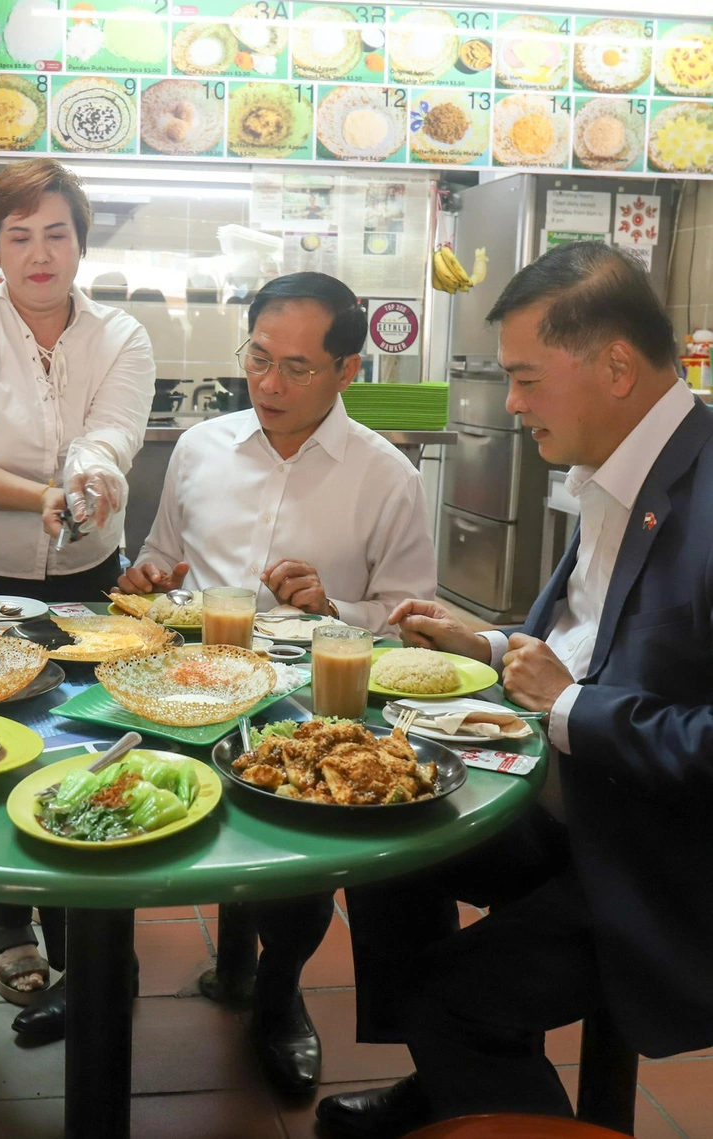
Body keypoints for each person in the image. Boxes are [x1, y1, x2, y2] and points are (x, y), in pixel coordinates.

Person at [317, 241, 713, 1138]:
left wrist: (567, 705)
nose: (511, 403)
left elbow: (594, 691)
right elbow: (586, 640)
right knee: (381, 827)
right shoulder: (614, 471)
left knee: (451, 995)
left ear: (615, 365)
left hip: (662, 850)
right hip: (580, 799)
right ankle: (451, 1080)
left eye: (526, 377)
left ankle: (458, 1057)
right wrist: (489, 644)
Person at [119, 271, 436, 1096]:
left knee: (302, 837)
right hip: (191, 680)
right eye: (257, 358)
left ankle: (276, 987)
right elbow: (161, 562)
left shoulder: (385, 476)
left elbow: (409, 625)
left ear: (346, 371)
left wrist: (335, 607)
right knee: (110, 789)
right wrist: (152, 578)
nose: (268, 384)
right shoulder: (199, 448)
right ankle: (99, 976)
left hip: (304, 702)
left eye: (297, 368)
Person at [0, 156, 155, 1041]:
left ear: (80, 244)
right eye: (19, 235)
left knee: (83, 739)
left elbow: (113, 432)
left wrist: (88, 481)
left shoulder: (119, 335)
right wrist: (39, 495)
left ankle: (88, 940)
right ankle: (6, 916)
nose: (40, 253)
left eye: (57, 233)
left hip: (89, 573)